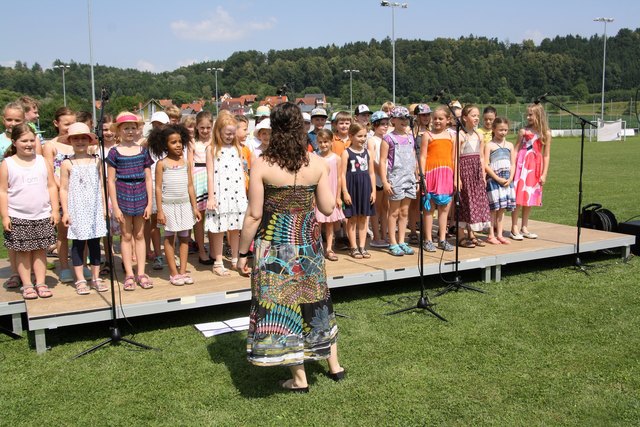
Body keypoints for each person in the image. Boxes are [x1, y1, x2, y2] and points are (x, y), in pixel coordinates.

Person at [236, 102, 344, 393]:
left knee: (282, 305)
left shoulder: (262, 164)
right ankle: (334, 367)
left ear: (274, 128)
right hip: (308, 245)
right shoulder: (317, 164)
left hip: (276, 247)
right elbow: (326, 206)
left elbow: (254, 215)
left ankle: (299, 379)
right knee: (316, 300)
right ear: (302, 128)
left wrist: (243, 253)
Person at [0, 124, 59, 299]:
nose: (28, 144)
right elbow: (3, 191)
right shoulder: (7, 163)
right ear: (14, 142)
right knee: (23, 252)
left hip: (42, 215)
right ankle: (27, 285)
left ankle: (40, 283)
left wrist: (55, 210)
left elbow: (51, 186)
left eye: (32, 140)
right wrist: (5, 216)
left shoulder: (42, 161)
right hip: (18, 216)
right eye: (23, 141)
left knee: (40, 251)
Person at [106, 112, 153, 291]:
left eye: (133, 128)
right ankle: (129, 274)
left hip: (141, 194)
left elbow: (148, 178)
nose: (130, 131)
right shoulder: (114, 152)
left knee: (140, 235)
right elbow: (110, 180)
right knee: (126, 236)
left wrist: (149, 203)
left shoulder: (143, 151)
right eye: (126, 128)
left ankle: (141, 272)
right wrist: (115, 207)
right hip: (123, 194)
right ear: (118, 130)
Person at [59, 123, 108, 294]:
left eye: (83, 138)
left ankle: (95, 276)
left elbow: (102, 185)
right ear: (71, 141)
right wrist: (65, 211)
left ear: (89, 141)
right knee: (78, 244)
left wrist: (104, 207)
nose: (80, 141)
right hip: (77, 208)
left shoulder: (96, 161)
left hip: (94, 208)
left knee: (95, 243)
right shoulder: (67, 163)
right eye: (76, 138)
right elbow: (63, 188)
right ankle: (80, 278)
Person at [150, 125, 200, 285]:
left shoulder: (186, 163)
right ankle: (174, 273)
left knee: (185, 238)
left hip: (185, 205)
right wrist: (159, 211)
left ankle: (183, 271)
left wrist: (194, 207)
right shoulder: (161, 164)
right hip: (168, 207)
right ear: (165, 145)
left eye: (180, 142)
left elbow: (190, 186)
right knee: (170, 238)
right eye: (173, 142)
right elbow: (158, 188)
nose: (178, 145)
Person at [204, 111, 248, 276]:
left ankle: (235, 258)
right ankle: (218, 261)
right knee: (218, 228)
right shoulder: (212, 149)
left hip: (236, 193)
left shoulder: (237, 148)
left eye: (232, 133)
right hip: (220, 193)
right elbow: (209, 174)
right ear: (219, 132)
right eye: (227, 133)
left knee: (235, 227)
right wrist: (211, 197)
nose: (230, 136)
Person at [42, 106, 77, 283]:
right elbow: (49, 171)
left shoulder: (79, 142)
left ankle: (81, 266)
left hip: (80, 195)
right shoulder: (50, 145)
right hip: (62, 194)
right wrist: (65, 187)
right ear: (56, 124)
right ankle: (64, 267)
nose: (70, 128)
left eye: (73, 124)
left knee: (80, 234)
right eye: (66, 124)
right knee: (63, 234)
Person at [379, 106, 417, 257]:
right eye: (400, 118)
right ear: (393, 120)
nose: (404, 121)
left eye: (406, 118)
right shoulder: (388, 139)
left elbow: (413, 156)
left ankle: (402, 240)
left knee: (404, 212)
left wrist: (416, 174)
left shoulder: (410, 137)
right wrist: (385, 181)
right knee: (394, 212)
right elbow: (382, 161)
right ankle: (392, 242)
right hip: (396, 179)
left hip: (409, 178)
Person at [511, 103, 552, 240]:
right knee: (518, 197)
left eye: (531, 114)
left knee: (529, 198)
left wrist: (544, 173)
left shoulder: (546, 133)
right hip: (522, 166)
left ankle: (524, 227)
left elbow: (546, 155)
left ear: (539, 115)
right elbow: (516, 149)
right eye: (527, 114)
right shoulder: (524, 131)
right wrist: (513, 167)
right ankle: (514, 227)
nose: (528, 117)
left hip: (535, 168)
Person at [419, 106, 455, 252]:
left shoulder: (452, 136)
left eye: (441, 118)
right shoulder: (427, 135)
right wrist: (422, 176)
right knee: (429, 208)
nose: (437, 121)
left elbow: (454, 158)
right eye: (435, 118)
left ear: (448, 120)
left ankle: (442, 238)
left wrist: (456, 177)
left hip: (446, 175)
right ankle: (428, 239)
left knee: (444, 209)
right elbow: (422, 156)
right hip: (431, 174)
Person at [457, 105, 490, 247]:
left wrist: (482, 174)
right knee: (465, 202)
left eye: (477, 116)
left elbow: (482, 156)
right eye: (473, 115)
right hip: (464, 172)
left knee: (475, 203)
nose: (476, 118)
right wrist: (457, 178)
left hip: (476, 172)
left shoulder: (479, 135)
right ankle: (460, 236)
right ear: (465, 118)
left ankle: (472, 233)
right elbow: (456, 158)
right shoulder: (460, 135)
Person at [342, 123, 376, 259]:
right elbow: (342, 175)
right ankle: (353, 247)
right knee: (352, 219)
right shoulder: (346, 153)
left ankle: (362, 246)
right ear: (351, 136)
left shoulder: (368, 153)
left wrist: (373, 191)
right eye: (359, 136)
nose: (362, 139)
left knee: (363, 217)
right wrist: (345, 191)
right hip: (352, 188)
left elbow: (372, 173)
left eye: (365, 136)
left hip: (365, 188)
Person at [484, 117, 516, 245]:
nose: (503, 132)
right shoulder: (489, 145)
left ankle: (500, 234)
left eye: (505, 130)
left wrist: (510, 178)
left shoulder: (509, 145)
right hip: (494, 180)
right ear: (494, 129)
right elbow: (486, 164)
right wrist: (496, 178)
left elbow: (513, 163)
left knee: (502, 209)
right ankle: (491, 234)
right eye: (500, 130)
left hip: (507, 180)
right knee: (493, 209)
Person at [314, 129, 345, 261]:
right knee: (318, 222)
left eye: (326, 142)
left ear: (331, 141)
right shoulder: (315, 157)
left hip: (331, 193)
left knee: (330, 223)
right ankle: (317, 248)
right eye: (320, 142)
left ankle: (329, 248)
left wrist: (338, 196)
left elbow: (339, 178)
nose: (323, 145)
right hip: (319, 193)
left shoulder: (337, 158)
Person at [188, 110, 214, 264]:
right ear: (197, 127)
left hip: (212, 177)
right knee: (199, 217)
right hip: (198, 178)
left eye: (208, 127)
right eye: (202, 127)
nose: (205, 131)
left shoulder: (215, 141)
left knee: (212, 216)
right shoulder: (192, 142)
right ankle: (201, 249)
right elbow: (190, 163)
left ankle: (213, 248)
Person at [366, 111, 390, 248]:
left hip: (386, 177)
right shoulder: (372, 140)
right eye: (382, 125)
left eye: (387, 124)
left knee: (385, 207)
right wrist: (381, 173)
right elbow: (372, 160)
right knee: (376, 208)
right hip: (377, 177)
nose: (385, 127)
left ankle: (384, 234)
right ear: (375, 125)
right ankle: (376, 236)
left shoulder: (387, 139)